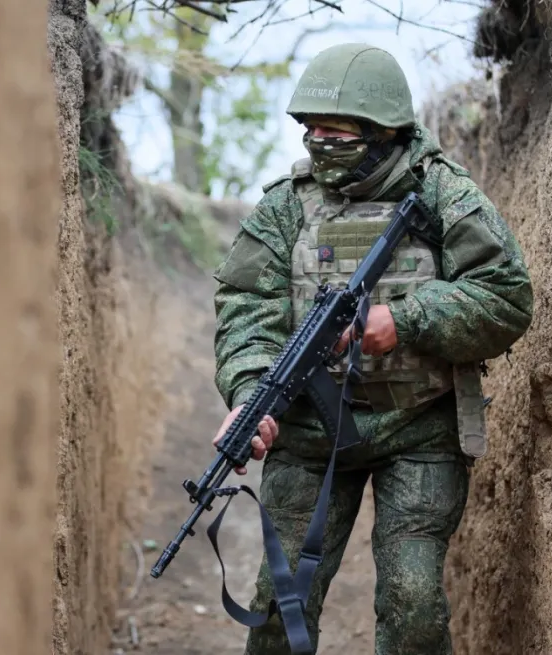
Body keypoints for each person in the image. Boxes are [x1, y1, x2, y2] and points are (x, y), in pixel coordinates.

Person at [210, 43, 533, 654]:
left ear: (382, 129)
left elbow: (506, 296)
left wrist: (406, 320)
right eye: (312, 129)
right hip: (308, 435)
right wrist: (250, 391)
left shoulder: (442, 193)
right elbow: (245, 308)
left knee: (413, 609)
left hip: (418, 429)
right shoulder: (287, 204)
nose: (319, 141)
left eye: (338, 131)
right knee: (280, 609)